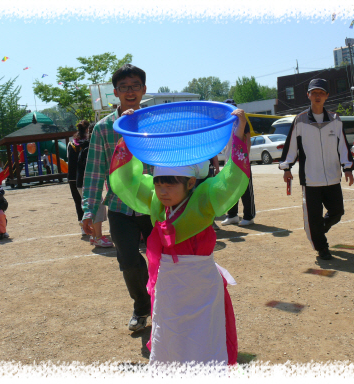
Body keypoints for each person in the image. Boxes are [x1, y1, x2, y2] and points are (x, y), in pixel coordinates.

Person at [109, 108, 250, 366]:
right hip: (169, 287)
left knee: (203, 340)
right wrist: (126, 138)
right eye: (159, 182)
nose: (162, 190)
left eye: (170, 183)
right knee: (170, 336)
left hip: (202, 287)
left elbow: (232, 179)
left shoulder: (205, 200)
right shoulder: (154, 201)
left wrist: (238, 134)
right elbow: (125, 180)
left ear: (191, 183)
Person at [82, 64, 153, 331]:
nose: (130, 91)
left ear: (144, 89)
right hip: (120, 207)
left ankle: (167, 306)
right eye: (124, 87)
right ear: (115, 93)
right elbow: (93, 173)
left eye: (135, 85)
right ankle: (141, 307)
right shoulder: (103, 128)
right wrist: (89, 210)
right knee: (129, 262)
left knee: (166, 256)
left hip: (155, 204)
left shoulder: (155, 123)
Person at [279, 79, 354, 260]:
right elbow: (291, 147)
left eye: (321, 92)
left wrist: (348, 168)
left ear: (327, 95)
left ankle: (319, 229)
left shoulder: (336, 120)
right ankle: (322, 248)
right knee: (313, 218)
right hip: (311, 179)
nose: (318, 96)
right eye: (314, 93)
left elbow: (343, 146)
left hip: (332, 177)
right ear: (308, 95)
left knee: (337, 212)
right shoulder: (300, 120)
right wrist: (286, 167)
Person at [69, 120, 113, 246]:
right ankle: (98, 237)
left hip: (80, 183)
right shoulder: (91, 148)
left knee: (94, 207)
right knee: (96, 207)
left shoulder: (85, 146)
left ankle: (94, 237)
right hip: (87, 184)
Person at [220, 99, 256, 227]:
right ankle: (232, 215)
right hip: (229, 160)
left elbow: (247, 140)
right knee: (231, 189)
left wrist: (246, 157)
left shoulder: (242, 122)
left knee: (246, 189)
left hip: (241, 161)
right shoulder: (226, 123)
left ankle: (249, 216)